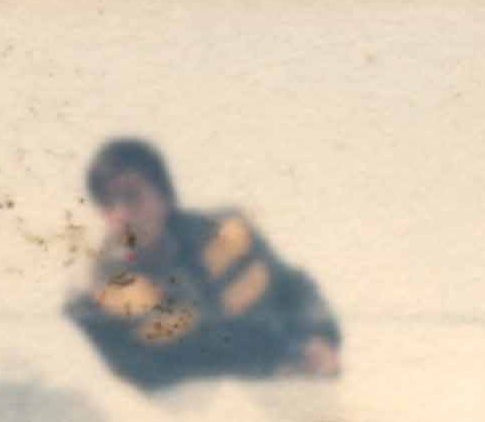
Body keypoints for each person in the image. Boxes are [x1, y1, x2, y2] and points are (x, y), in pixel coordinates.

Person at [62, 139, 337, 386]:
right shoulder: (97, 296)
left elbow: (293, 286)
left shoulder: (228, 235)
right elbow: (137, 374)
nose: (121, 213)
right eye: (108, 204)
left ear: (165, 195)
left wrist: (319, 336)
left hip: (295, 388)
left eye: (132, 196)